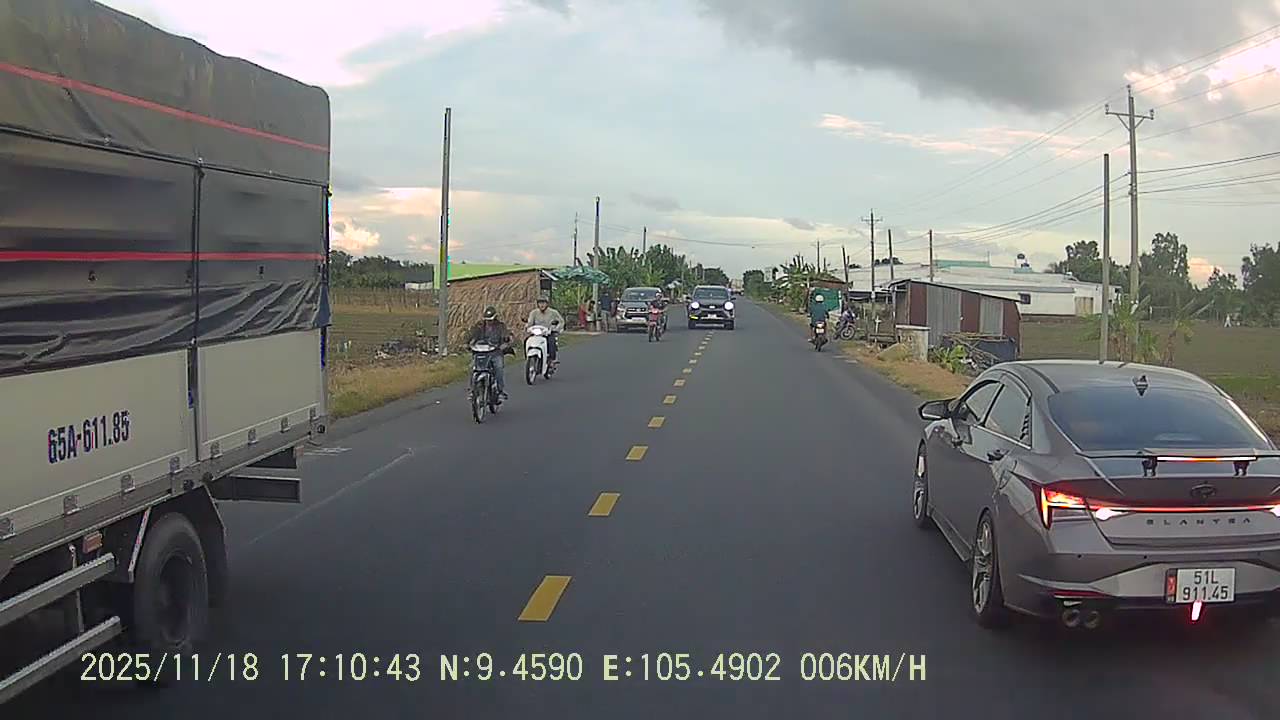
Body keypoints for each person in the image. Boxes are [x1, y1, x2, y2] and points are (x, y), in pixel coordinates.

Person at [467, 305, 514, 399]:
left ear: (495, 318)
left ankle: (500, 391)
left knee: (499, 367)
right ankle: (472, 391)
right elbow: (472, 336)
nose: (489, 322)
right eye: (487, 320)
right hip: (480, 353)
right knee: (472, 367)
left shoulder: (500, 326)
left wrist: (505, 343)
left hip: (495, 352)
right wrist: (468, 344)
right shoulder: (480, 326)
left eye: (490, 320)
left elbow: (507, 336)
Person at [525, 295, 564, 363]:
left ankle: (552, 360)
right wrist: (527, 327)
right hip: (536, 334)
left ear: (547, 304)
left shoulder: (553, 312)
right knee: (526, 340)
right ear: (537, 304)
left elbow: (561, 322)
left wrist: (556, 329)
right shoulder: (534, 313)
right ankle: (528, 357)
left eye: (543, 303)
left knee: (551, 341)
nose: (542, 305)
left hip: (548, 333)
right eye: (540, 303)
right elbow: (530, 322)